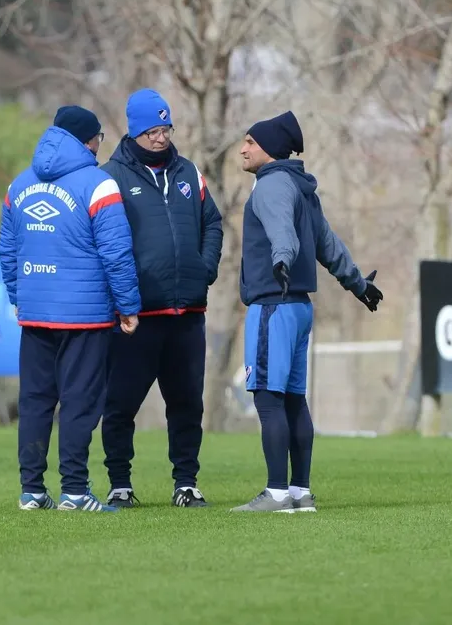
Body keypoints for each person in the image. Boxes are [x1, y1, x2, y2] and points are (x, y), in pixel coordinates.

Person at [231, 110, 383, 513]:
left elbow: (283, 232)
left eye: (250, 142)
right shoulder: (302, 188)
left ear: (270, 148)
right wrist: (359, 285)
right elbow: (327, 244)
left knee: (268, 398)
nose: (243, 148)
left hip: (274, 305)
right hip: (299, 308)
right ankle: (300, 493)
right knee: (294, 400)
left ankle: (276, 494)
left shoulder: (271, 185)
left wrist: (281, 258)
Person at [0, 105, 142, 513]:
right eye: (98, 138)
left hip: (35, 314)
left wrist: (19, 297)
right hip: (86, 317)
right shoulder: (99, 185)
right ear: (88, 140)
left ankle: (31, 491)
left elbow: (7, 251)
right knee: (80, 402)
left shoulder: (18, 185)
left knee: (35, 401)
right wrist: (128, 306)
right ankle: (75, 492)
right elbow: (116, 253)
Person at [100, 88, 224, 508]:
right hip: (136, 317)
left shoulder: (189, 173)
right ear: (135, 131)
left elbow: (213, 223)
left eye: (166, 128)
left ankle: (186, 483)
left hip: (187, 314)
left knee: (187, 404)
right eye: (152, 131)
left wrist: (204, 269)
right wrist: (122, 294)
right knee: (120, 404)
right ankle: (120, 483)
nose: (160, 138)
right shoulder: (111, 177)